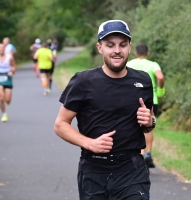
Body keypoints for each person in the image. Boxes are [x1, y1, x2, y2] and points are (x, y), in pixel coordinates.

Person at [54, 20, 155, 199]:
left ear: (129, 47)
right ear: (100, 48)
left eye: (122, 45)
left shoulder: (143, 81)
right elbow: (61, 124)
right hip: (94, 172)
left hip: (132, 171)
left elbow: (149, 123)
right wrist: (89, 143)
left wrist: (149, 122)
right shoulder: (83, 82)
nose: (117, 50)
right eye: (110, 45)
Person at [127, 43, 165, 169]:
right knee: (148, 125)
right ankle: (148, 153)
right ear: (148, 54)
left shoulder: (130, 63)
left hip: (133, 100)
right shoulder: (153, 64)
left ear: (135, 53)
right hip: (150, 99)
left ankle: (140, 154)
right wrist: (160, 91)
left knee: (134, 125)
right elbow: (160, 76)